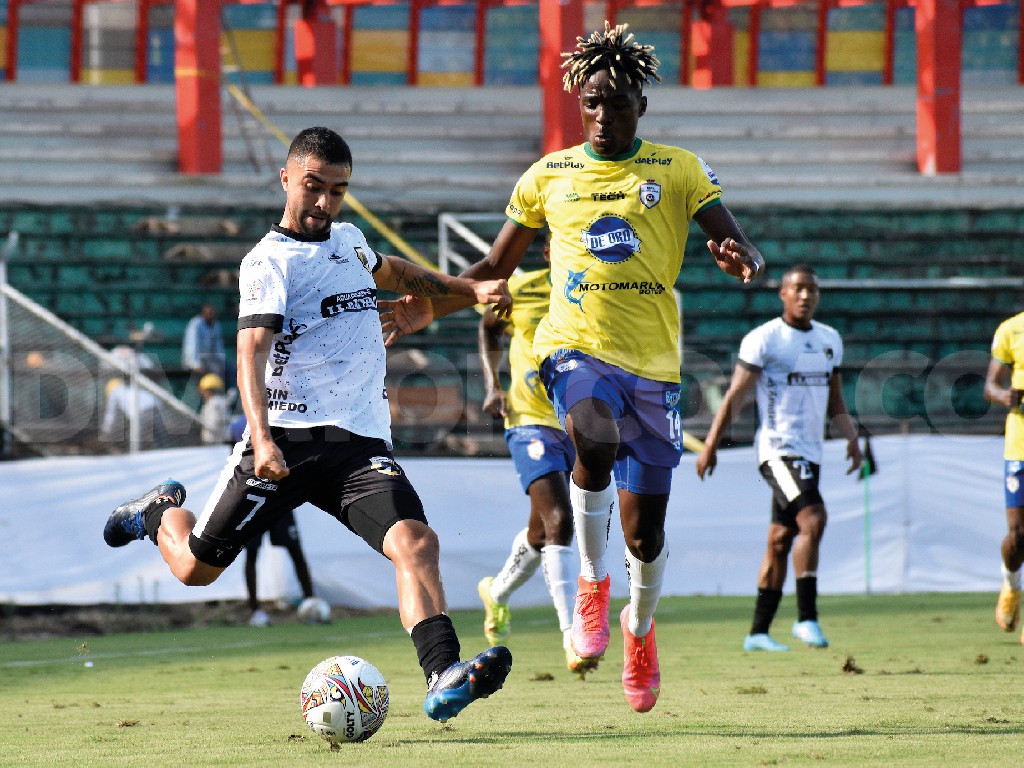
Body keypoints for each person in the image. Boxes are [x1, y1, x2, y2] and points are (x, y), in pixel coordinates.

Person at [392, 22, 765, 712]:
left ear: (640, 108)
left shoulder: (677, 169)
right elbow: (493, 270)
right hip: (574, 350)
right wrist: (433, 304)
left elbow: (733, 237)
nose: (601, 116)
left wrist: (742, 256)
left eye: (615, 103)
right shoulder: (548, 176)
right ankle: (593, 585)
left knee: (646, 536)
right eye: (590, 103)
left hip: (653, 365)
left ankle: (640, 628)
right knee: (591, 440)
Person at [103, 126, 514, 723]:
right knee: (194, 568)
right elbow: (249, 353)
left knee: (416, 542)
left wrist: (470, 288)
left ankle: (442, 673)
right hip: (285, 443)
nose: (325, 203)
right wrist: (262, 438)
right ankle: (156, 512)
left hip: (357, 445)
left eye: (338, 190)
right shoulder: (268, 263)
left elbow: (395, 273)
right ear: (287, 179)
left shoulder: (348, 240)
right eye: (314, 187)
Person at [695, 264, 862, 652]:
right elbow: (736, 395)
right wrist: (710, 444)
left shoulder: (829, 340)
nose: (805, 296)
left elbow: (835, 398)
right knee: (814, 519)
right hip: (778, 449)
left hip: (811, 451)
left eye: (812, 290)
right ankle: (806, 619)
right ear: (783, 294)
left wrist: (852, 440)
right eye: (798, 289)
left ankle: (757, 632)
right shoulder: (765, 339)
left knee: (781, 538)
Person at [475, 237, 582, 675]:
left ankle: (496, 593)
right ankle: (572, 636)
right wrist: (492, 385)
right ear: (548, 253)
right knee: (561, 521)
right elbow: (487, 328)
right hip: (528, 420)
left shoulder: (597, 292)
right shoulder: (522, 287)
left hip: (577, 424)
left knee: (541, 532)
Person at [984, 310, 1024, 639]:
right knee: (1017, 536)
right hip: (1019, 448)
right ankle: (1011, 585)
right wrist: (1003, 395)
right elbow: (990, 386)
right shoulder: (1011, 329)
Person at [244, 509, 317, 627]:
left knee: (296, 550)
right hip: (258, 503)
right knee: (251, 553)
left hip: (282, 499)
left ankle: (311, 604)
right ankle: (254, 611)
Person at [100, 377, 168, 450]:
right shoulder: (130, 390)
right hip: (156, 409)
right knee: (161, 437)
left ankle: (135, 454)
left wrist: (106, 431)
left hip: (142, 413)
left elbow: (111, 414)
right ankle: (166, 451)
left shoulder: (114, 392)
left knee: (135, 439)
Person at [182, 302, 226, 378]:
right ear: (203, 314)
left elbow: (218, 346)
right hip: (194, 361)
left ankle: (228, 389)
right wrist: (195, 363)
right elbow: (192, 345)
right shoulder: (195, 324)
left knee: (229, 369)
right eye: (209, 314)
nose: (211, 316)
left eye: (213, 314)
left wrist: (222, 360)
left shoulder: (216, 325)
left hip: (209, 360)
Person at [197, 372, 228, 444]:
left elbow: (213, 425)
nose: (203, 394)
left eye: (204, 391)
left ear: (209, 391)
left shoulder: (214, 404)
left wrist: (197, 420)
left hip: (213, 442)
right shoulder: (221, 401)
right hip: (219, 441)